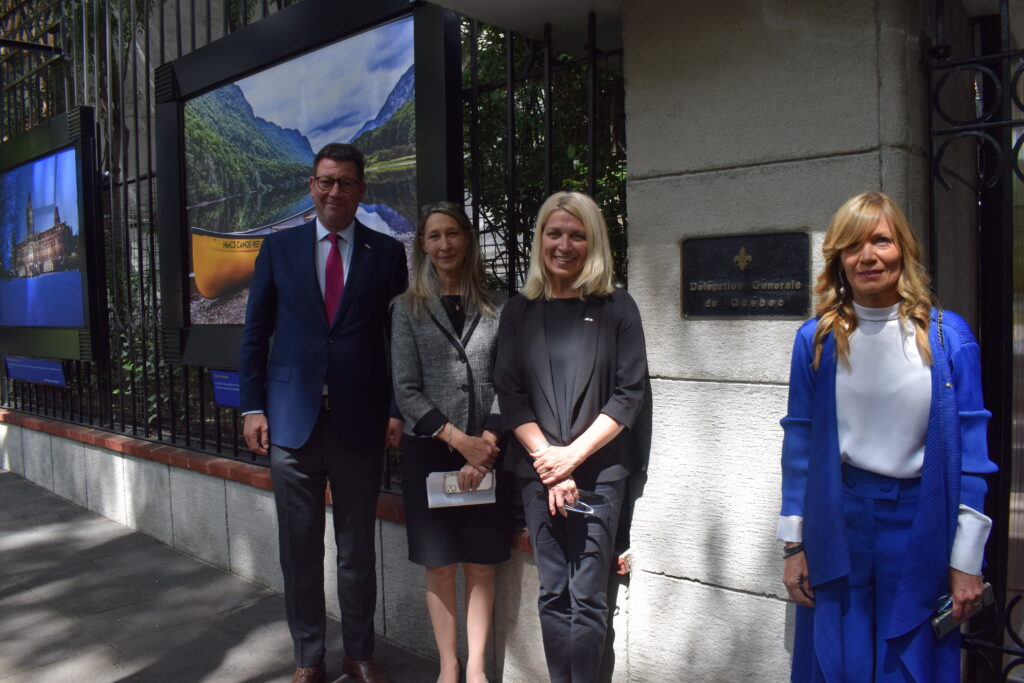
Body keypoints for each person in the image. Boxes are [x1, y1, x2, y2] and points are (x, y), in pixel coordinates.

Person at [778, 192, 997, 682]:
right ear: (838, 257)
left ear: (904, 250)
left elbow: (973, 459)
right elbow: (799, 449)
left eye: (881, 240)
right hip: (838, 524)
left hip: (922, 525)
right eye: (853, 245)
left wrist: (967, 561)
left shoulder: (948, 338)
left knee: (912, 662)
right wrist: (794, 547)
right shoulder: (816, 340)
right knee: (837, 661)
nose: (868, 256)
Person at [239, 143, 407, 683]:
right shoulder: (278, 249)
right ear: (312, 185)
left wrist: (397, 408)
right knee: (300, 552)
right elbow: (255, 334)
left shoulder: (386, 253)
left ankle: (359, 653)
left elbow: (397, 339)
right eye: (325, 181)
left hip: (360, 424)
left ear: (362, 189)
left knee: (358, 550)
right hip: (290, 423)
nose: (335, 191)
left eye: (346, 182)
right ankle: (308, 658)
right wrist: (252, 406)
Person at [494, 191, 648, 683]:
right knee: (553, 592)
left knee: (588, 597)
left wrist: (571, 459)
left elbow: (627, 395)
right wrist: (548, 460)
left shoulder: (617, 308)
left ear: (594, 241)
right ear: (540, 239)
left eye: (577, 234)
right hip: (537, 472)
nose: (564, 244)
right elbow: (510, 392)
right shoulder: (518, 310)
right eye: (554, 233)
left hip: (600, 474)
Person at [390, 202, 510, 683]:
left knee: (482, 564)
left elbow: (510, 379)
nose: (444, 244)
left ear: (468, 238)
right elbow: (406, 387)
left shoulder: (501, 305)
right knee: (439, 565)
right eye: (434, 236)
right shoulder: (406, 309)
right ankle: (448, 666)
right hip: (433, 451)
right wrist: (459, 440)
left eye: (452, 234)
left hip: (489, 450)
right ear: (423, 244)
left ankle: (477, 668)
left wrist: (487, 441)